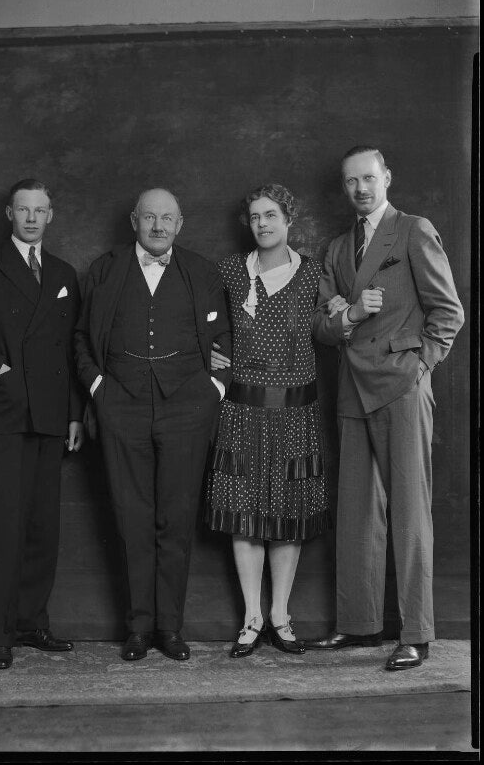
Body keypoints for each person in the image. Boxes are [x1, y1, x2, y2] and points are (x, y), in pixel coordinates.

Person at [306, 146, 464, 670]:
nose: (360, 189)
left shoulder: (414, 230)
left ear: (386, 178)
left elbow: (448, 313)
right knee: (355, 512)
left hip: (400, 385)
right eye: (351, 181)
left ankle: (416, 633)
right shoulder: (334, 249)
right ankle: (358, 626)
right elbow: (322, 329)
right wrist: (348, 314)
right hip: (353, 388)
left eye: (368, 179)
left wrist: (420, 367)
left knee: (410, 510)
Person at [75, 188, 232, 662]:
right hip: (120, 405)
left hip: (187, 407)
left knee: (176, 519)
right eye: (150, 218)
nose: (159, 227)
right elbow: (82, 338)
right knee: (131, 519)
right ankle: (138, 627)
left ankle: (170, 628)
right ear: (134, 221)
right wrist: (100, 388)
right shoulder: (104, 270)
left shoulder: (202, 271)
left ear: (180, 224)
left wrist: (214, 389)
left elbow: (223, 336)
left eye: (167, 219)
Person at [0, 179, 85, 670]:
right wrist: (1, 372)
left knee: (42, 528)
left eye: (40, 210)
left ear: (51, 216)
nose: (31, 218)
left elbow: (71, 354)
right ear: (9, 214)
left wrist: (73, 413)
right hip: (6, 414)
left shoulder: (66, 272)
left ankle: (32, 623)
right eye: (23, 209)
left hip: (51, 416)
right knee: (5, 525)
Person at [207, 183, 331, 658]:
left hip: (295, 412)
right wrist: (213, 354)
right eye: (255, 216)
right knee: (245, 515)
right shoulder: (232, 271)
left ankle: (281, 615)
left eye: (271, 215)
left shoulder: (312, 273)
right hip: (242, 409)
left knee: (287, 516)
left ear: (288, 218)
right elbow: (208, 324)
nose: (262, 224)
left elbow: (332, 324)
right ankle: (251, 617)